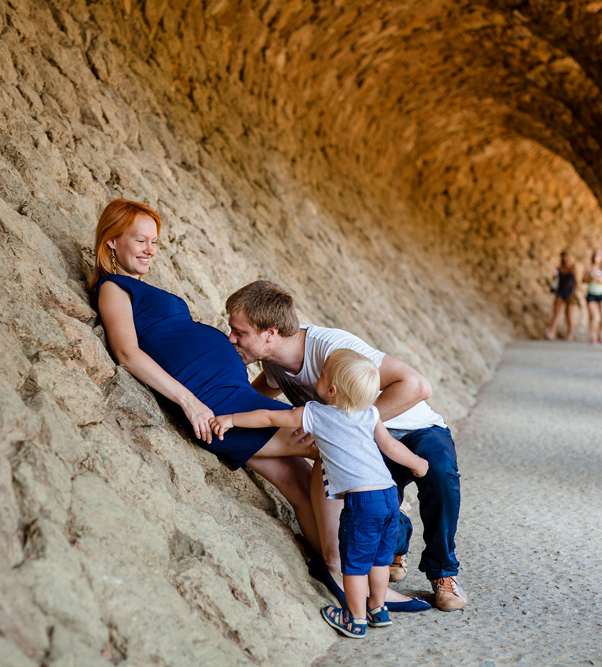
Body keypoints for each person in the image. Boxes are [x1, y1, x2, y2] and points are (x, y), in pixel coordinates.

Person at [88, 199, 321, 556]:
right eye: (140, 240)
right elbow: (128, 354)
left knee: (302, 488)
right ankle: (368, 575)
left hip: (231, 394)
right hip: (218, 403)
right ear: (111, 242)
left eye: (154, 242)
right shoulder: (114, 288)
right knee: (332, 443)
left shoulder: (142, 288)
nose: (150, 249)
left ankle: (345, 578)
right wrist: (190, 402)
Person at [225, 280, 467, 612]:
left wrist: (348, 426)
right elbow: (258, 398)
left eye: (239, 332)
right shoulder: (274, 362)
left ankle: (443, 574)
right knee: (370, 513)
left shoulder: (330, 349)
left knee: (439, 473)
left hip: (413, 427)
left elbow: (416, 385)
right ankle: (398, 541)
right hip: (368, 445)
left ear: (270, 333)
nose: (231, 338)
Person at [210, 349, 430, 638]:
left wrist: (232, 420)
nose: (318, 375)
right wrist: (418, 463)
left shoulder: (315, 413)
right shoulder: (370, 413)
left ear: (331, 389)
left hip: (362, 501)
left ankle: (355, 619)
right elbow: (390, 447)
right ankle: (378, 608)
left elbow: (268, 418)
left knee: (353, 565)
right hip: (388, 495)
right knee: (379, 560)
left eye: (322, 373)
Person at [545, 251, 576, 341]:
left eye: (566, 257)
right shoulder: (559, 269)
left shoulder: (572, 269)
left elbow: (576, 282)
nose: (564, 259)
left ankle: (570, 333)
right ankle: (552, 332)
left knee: (568, 314)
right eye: (563, 257)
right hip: (560, 292)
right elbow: (554, 281)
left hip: (570, 292)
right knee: (556, 313)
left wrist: (574, 293)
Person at [585, 249, 602, 344]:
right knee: (592, 315)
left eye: (599, 256)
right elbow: (583, 279)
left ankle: (601, 334)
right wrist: (591, 278)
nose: (597, 258)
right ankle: (593, 336)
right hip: (591, 293)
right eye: (596, 255)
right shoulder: (589, 268)